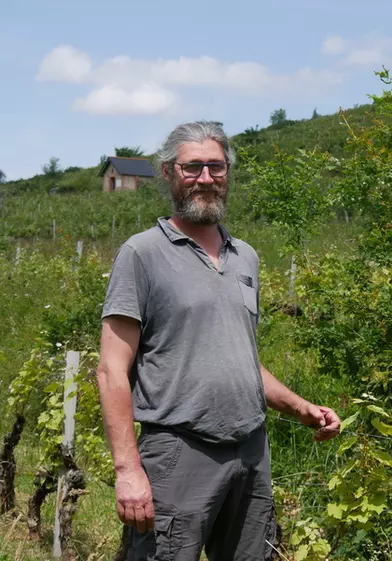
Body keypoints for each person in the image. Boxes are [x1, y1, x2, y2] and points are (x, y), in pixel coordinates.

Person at [96, 121, 341, 561]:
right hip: (177, 452)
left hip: (250, 451)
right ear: (169, 173)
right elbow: (111, 368)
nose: (205, 178)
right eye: (193, 168)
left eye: (216, 167)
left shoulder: (244, 256)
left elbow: (241, 359)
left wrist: (301, 408)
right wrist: (128, 470)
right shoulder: (143, 253)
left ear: (228, 174)